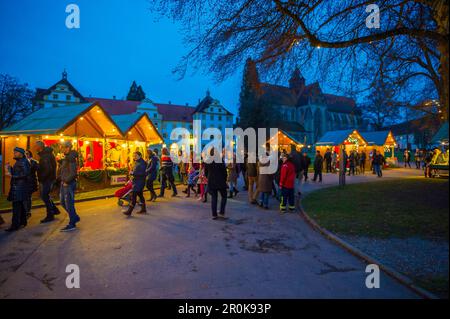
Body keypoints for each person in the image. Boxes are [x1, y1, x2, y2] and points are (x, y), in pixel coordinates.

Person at [5, 147, 30, 232]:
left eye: (16, 152)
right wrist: (10, 168)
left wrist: (12, 176)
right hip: (19, 187)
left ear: (21, 154)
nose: (14, 153)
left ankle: (15, 225)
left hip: (19, 187)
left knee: (16, 207)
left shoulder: (23, 162)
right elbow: (18, 172)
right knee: (20, 205)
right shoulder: (20, 161)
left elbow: (25, 174)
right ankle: (23, 222)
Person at [35, 141, 60, 223]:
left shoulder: (45, 155)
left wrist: (41, 178)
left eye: (36, 146)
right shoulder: (46, 154)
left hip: (47, 179)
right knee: (45, 195)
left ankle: (50, 215)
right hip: (49, 178)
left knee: (44, 196)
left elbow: (47, 169)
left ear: (40, 147)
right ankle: (54, 210)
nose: (35, 147)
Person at [58, 141, 81, 232]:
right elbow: (65, 169)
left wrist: (67, 181)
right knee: (63, 202)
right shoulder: (67, 157)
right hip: (64, 183)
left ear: (68, 148)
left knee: (69, 203)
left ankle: (72, 223)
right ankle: (74, 217)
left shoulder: (71, 158)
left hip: (68, 184)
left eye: (63, 147)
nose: (61, 149)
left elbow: (73, 173)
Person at [204, 148, 228, 220]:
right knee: (224, 196)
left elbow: (206, 172)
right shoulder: (220, 160)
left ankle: (214, 214)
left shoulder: (208, 160)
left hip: (212, 181)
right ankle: (222, 212)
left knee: (214, 198)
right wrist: (225, 179)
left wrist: (208, 178)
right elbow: (224, 171)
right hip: (220, 181)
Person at [124, 151, 147, 216]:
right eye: (133, 156)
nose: (134, 157)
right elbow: (135, 170)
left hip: (139, 182)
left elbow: (143, 173)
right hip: (137, 181)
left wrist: (133, 173)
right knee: (140, 195)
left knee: (134, 196)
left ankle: (129, 211)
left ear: (140, 155)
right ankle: (143, 209)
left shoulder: (143, 163)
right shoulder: (137, 162)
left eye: (136, 155)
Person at [25, 149, 39, 219]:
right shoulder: (22, 162)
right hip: (23, 182)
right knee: (24, 197)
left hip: (31, 182)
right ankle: (25, 211)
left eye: (27, 153)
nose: (26, 155)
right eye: (25, 154)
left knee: (28, 197)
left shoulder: (34, 162)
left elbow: (38, 170)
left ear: (30, 154)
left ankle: (28, 211)